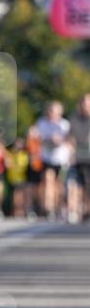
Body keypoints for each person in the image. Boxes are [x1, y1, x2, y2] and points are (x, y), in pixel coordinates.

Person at [34, 101, 71, 219]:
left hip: (61, 159)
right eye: (50, 110)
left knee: (59, 185)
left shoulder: (64, 124)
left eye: (54, 111)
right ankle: (48, 208)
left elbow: (70, 141)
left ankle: (59, 206)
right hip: (47, 158)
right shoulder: (41, 123)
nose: (51, 113)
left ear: (60, 112)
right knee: (48, 181)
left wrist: (60, 141)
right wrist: (48, 139)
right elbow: (36, 139)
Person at [68, 93, 90, 222]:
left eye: (88, 103)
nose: (85, 106)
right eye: (83, 103)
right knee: (74, 185)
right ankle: (73, 211)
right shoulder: (74, 119)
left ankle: (87, 211)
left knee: (88, 187)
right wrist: (71, 152)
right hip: (77, 158)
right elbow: (70, 138)